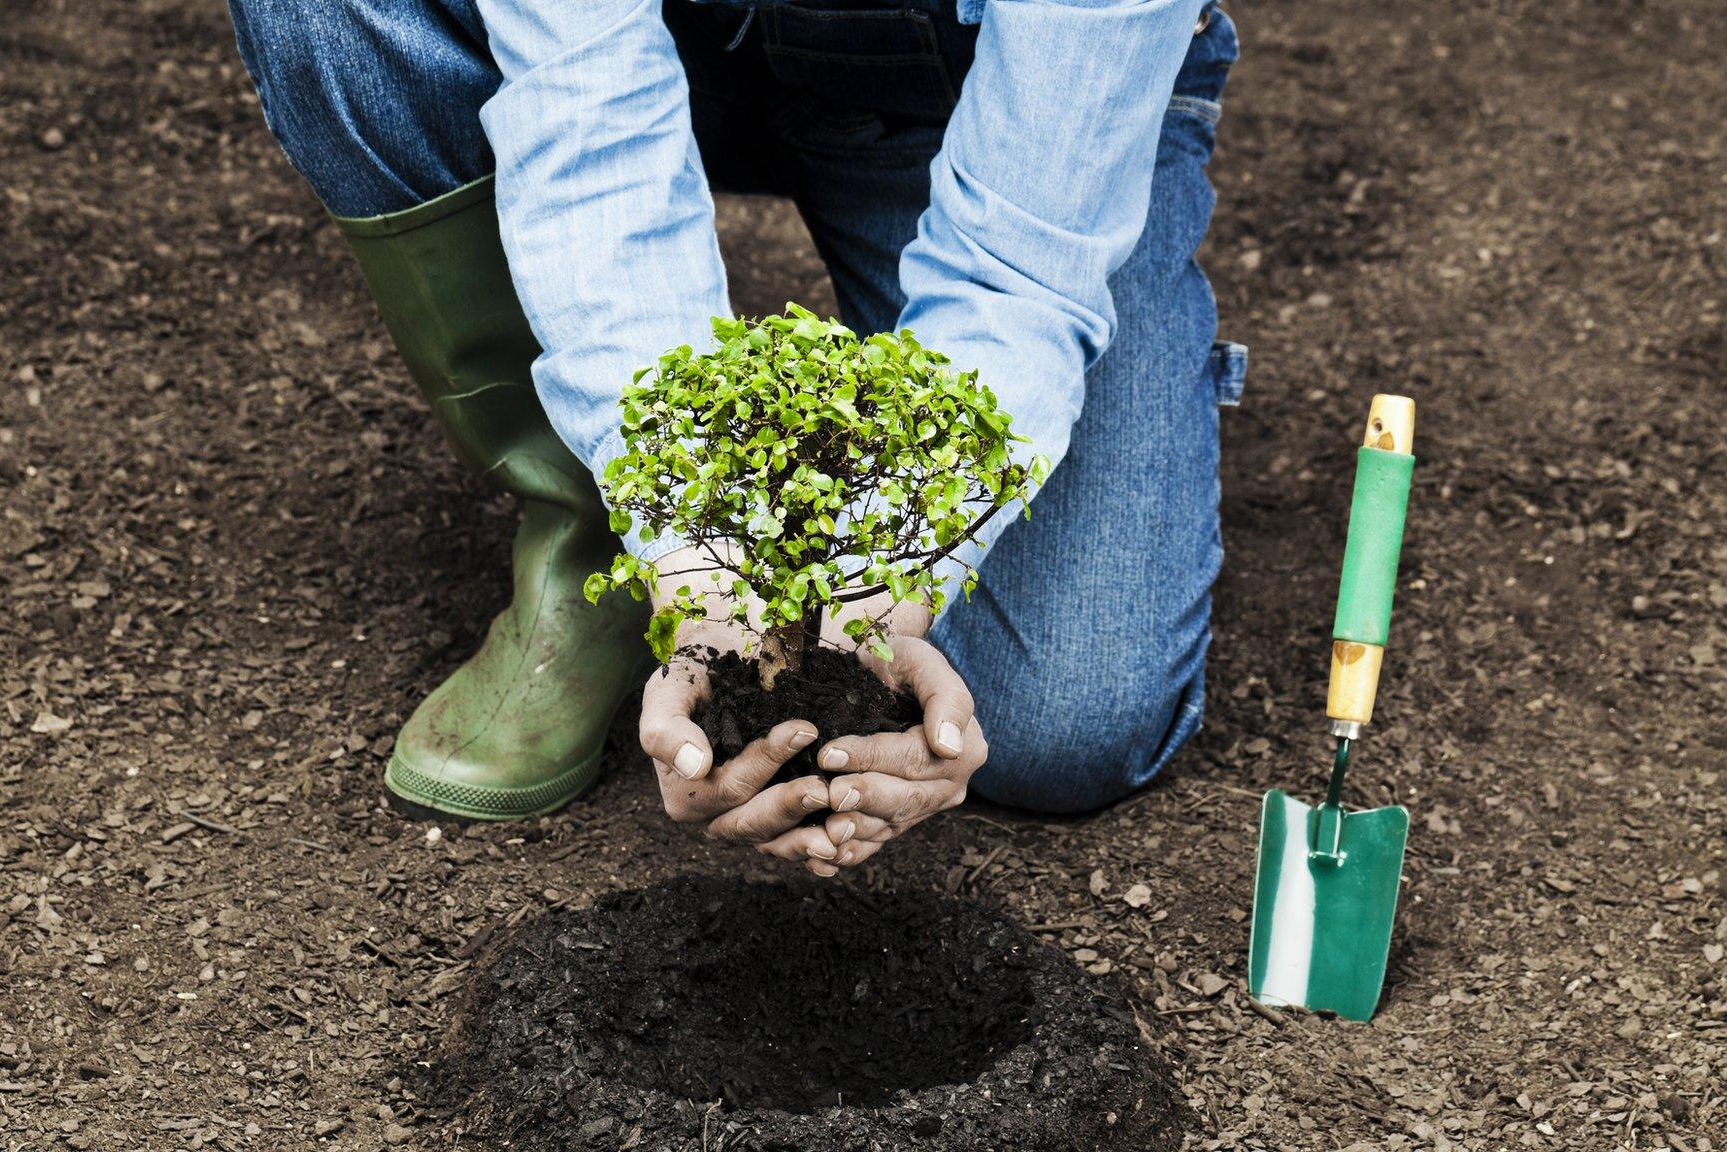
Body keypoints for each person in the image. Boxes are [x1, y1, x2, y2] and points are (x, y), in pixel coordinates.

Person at [224, 0, 1244, 874]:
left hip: (979, 95)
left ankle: (799, 498)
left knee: (1061, 723)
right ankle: (594, 540)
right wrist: (688, 547)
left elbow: (1015, 267)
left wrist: (888, 571)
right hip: (675, 41)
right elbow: (591, 126)